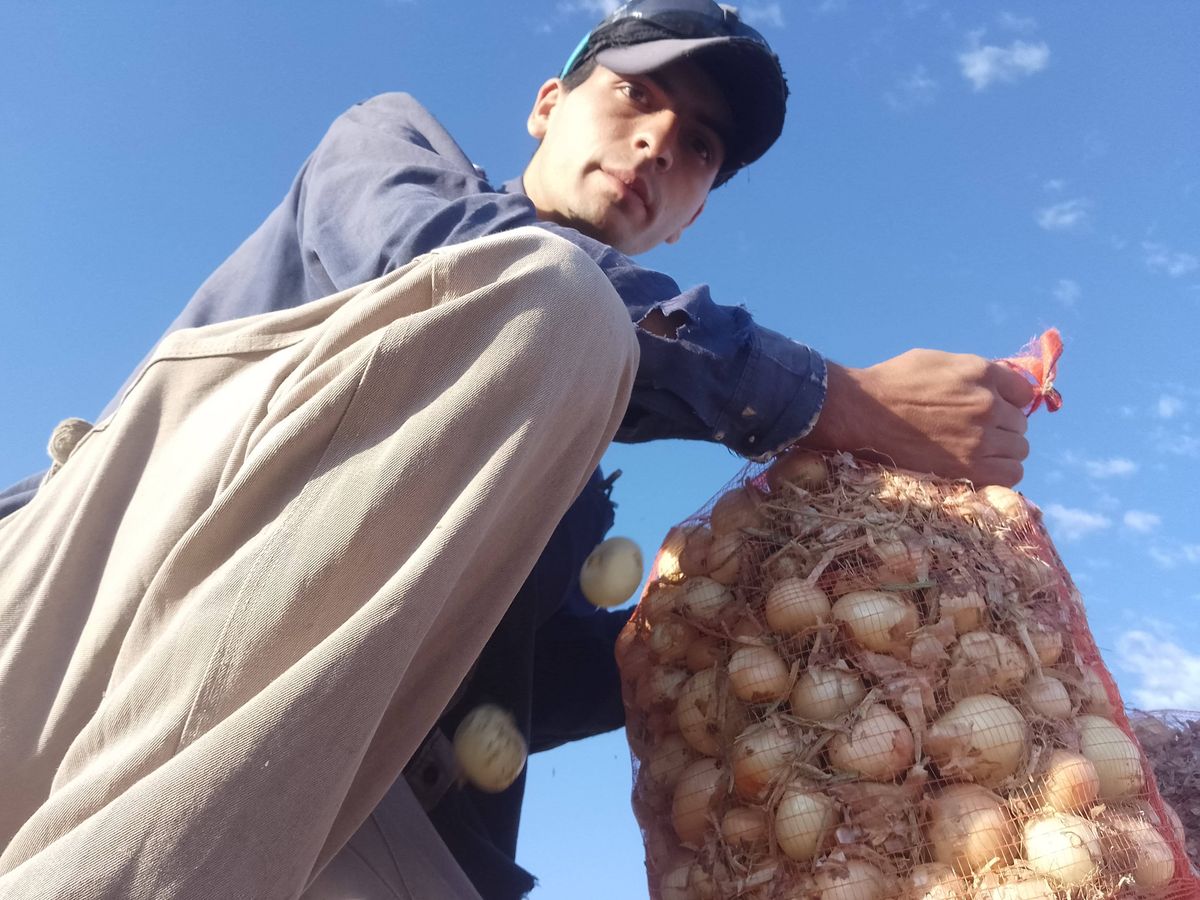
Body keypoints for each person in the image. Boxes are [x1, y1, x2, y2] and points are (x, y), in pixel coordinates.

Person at [0, 1, 1035, 897]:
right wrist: (826, 399)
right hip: (85, 627)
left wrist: (732, 617)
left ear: (690, 217)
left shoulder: (560, 477)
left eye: (702, 147)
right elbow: (457, 262)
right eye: (637, 95)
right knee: (551, 299)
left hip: (305, 788)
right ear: (548, 105)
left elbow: (503, 707)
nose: (663, 141)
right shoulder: (389, 151)